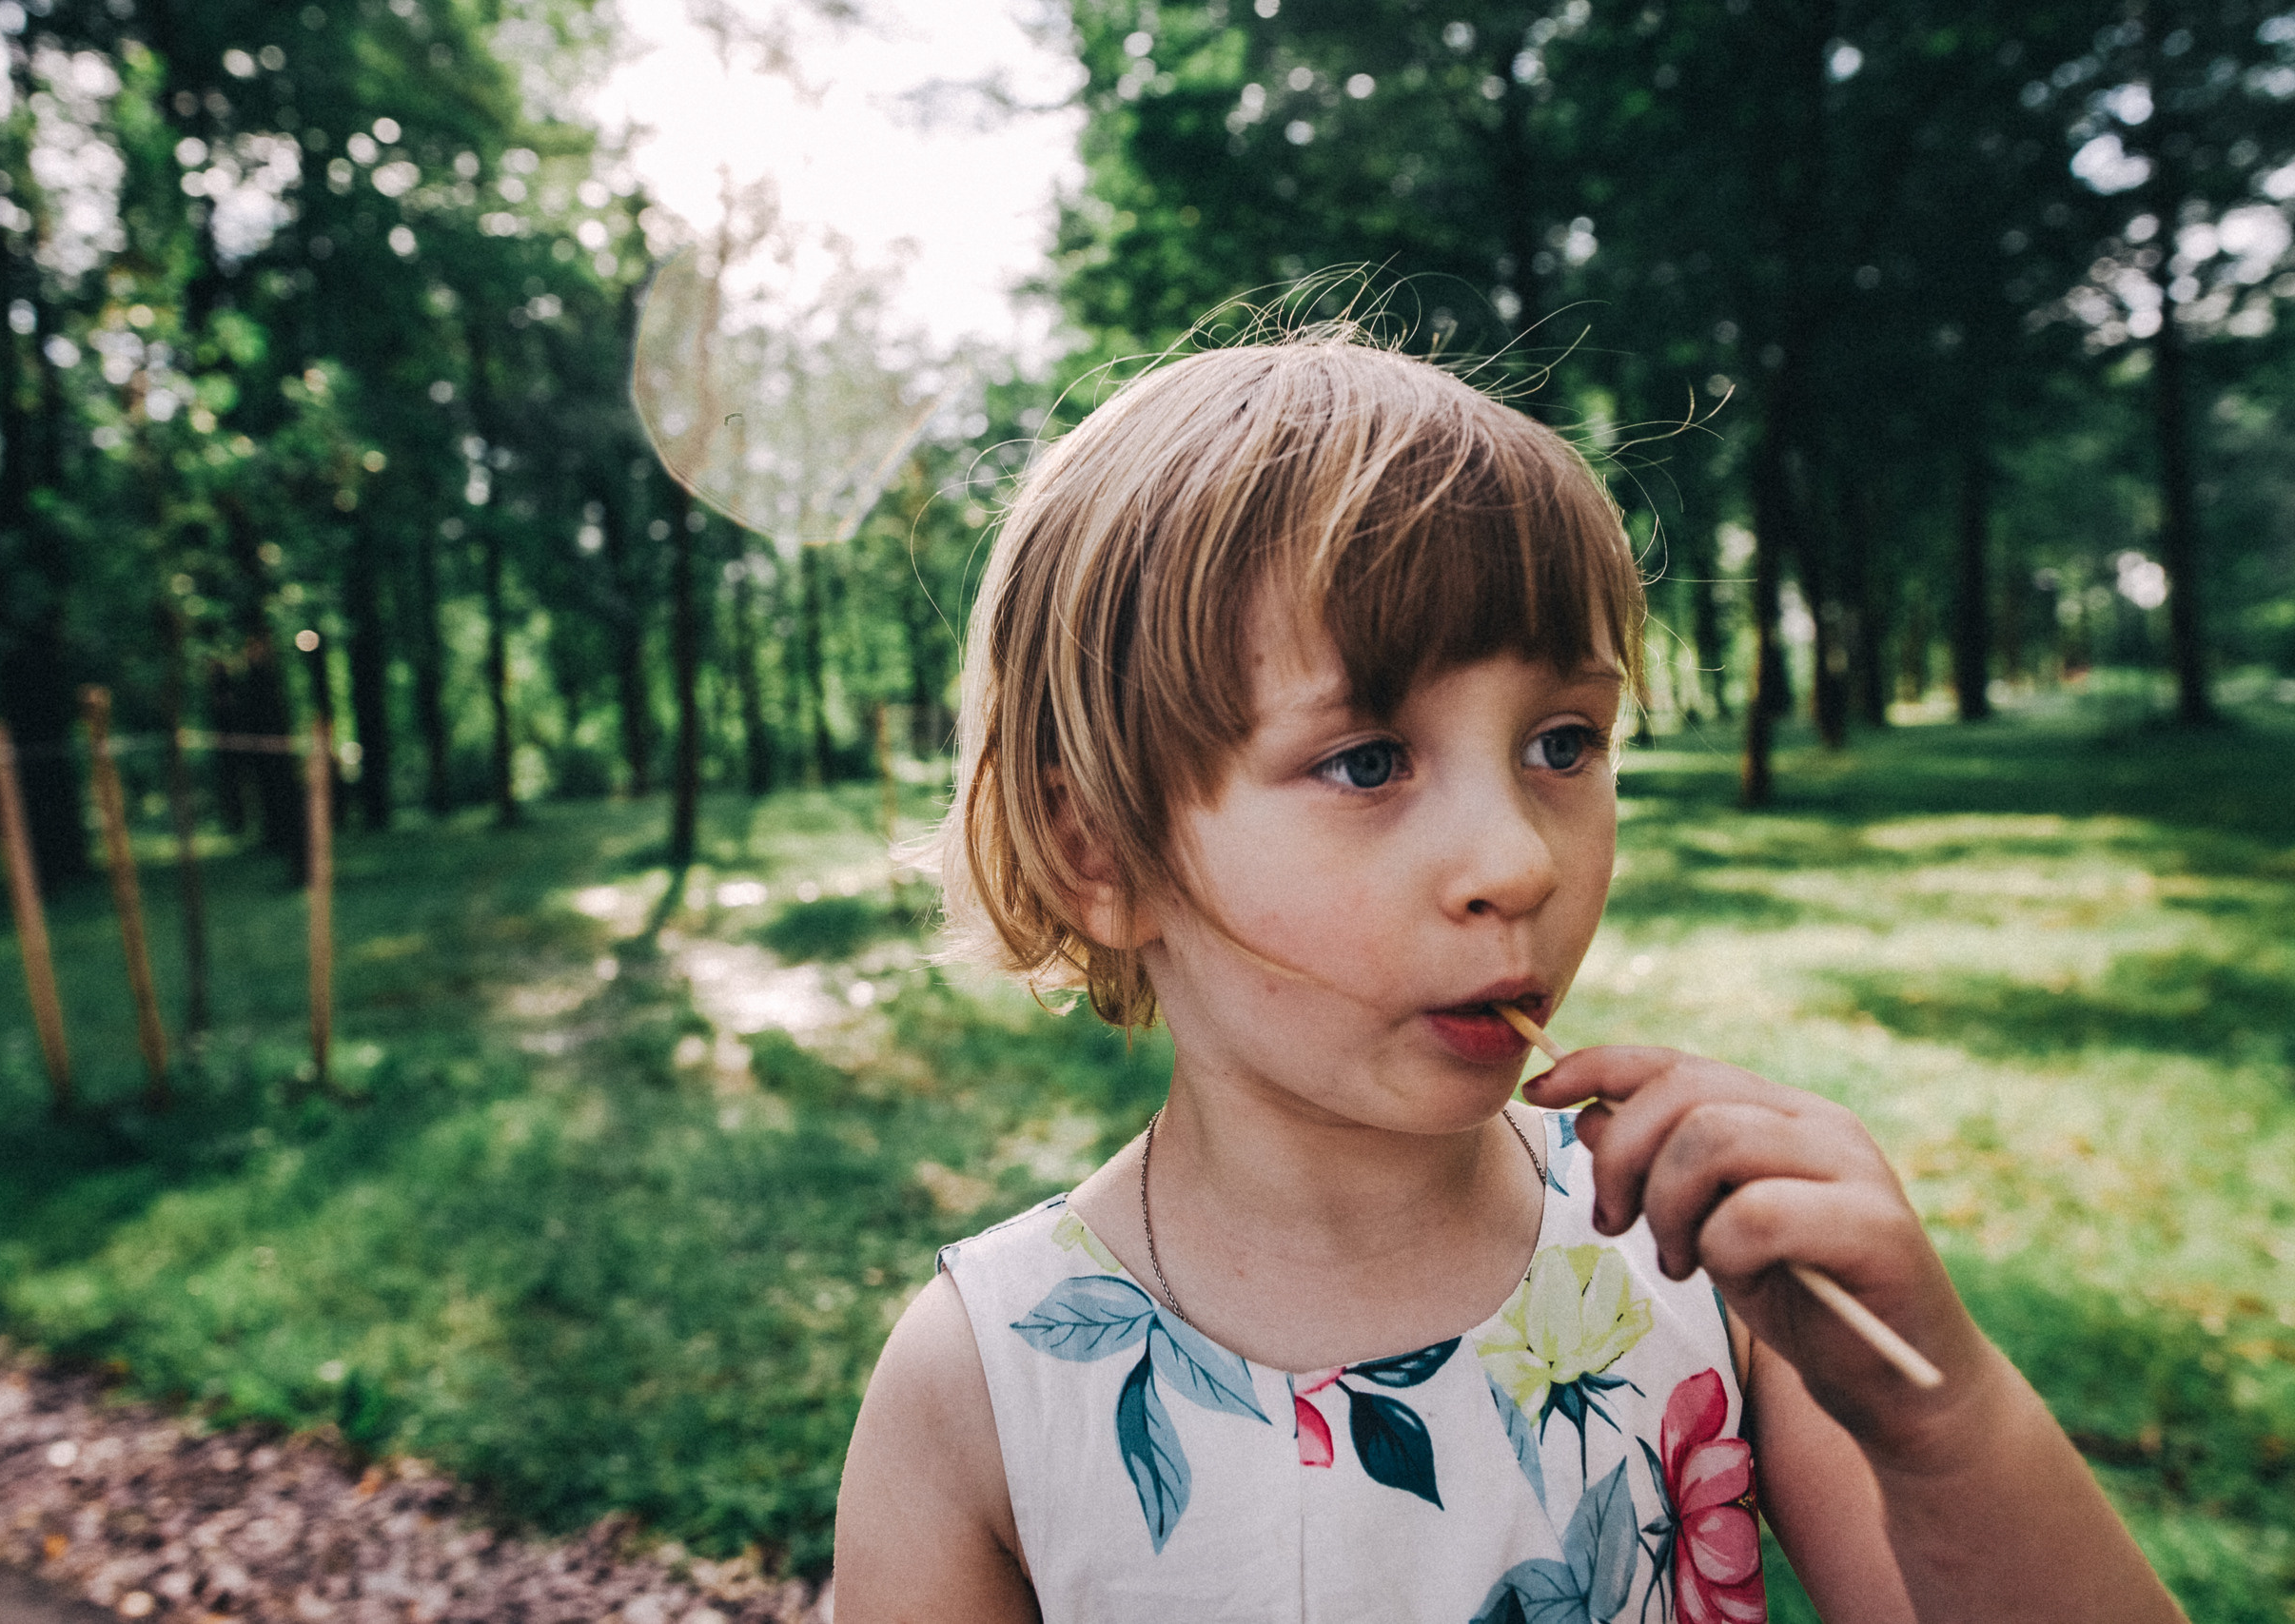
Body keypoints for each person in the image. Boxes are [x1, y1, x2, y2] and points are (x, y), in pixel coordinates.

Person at [833, 332, 2185, 1623]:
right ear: (1100, 854)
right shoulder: (984, 1389)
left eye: (1562, 745)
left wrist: (1943, 1422)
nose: (1518, 862)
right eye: (1368, 761)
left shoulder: (1705, 1269)